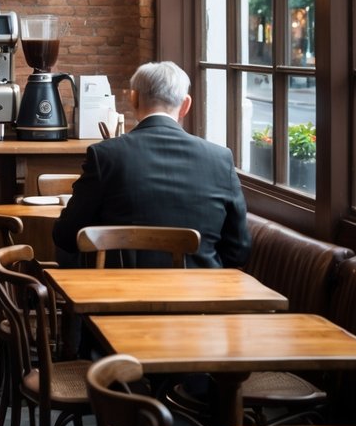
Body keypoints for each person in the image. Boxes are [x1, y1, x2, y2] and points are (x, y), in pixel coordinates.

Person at [52, 60, 250, 270]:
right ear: (186, 105)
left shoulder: (105, 155)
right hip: (201, 296)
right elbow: (239, 250)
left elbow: (65, 235)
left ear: (133, 98)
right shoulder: (220, 159)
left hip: (119, 296)